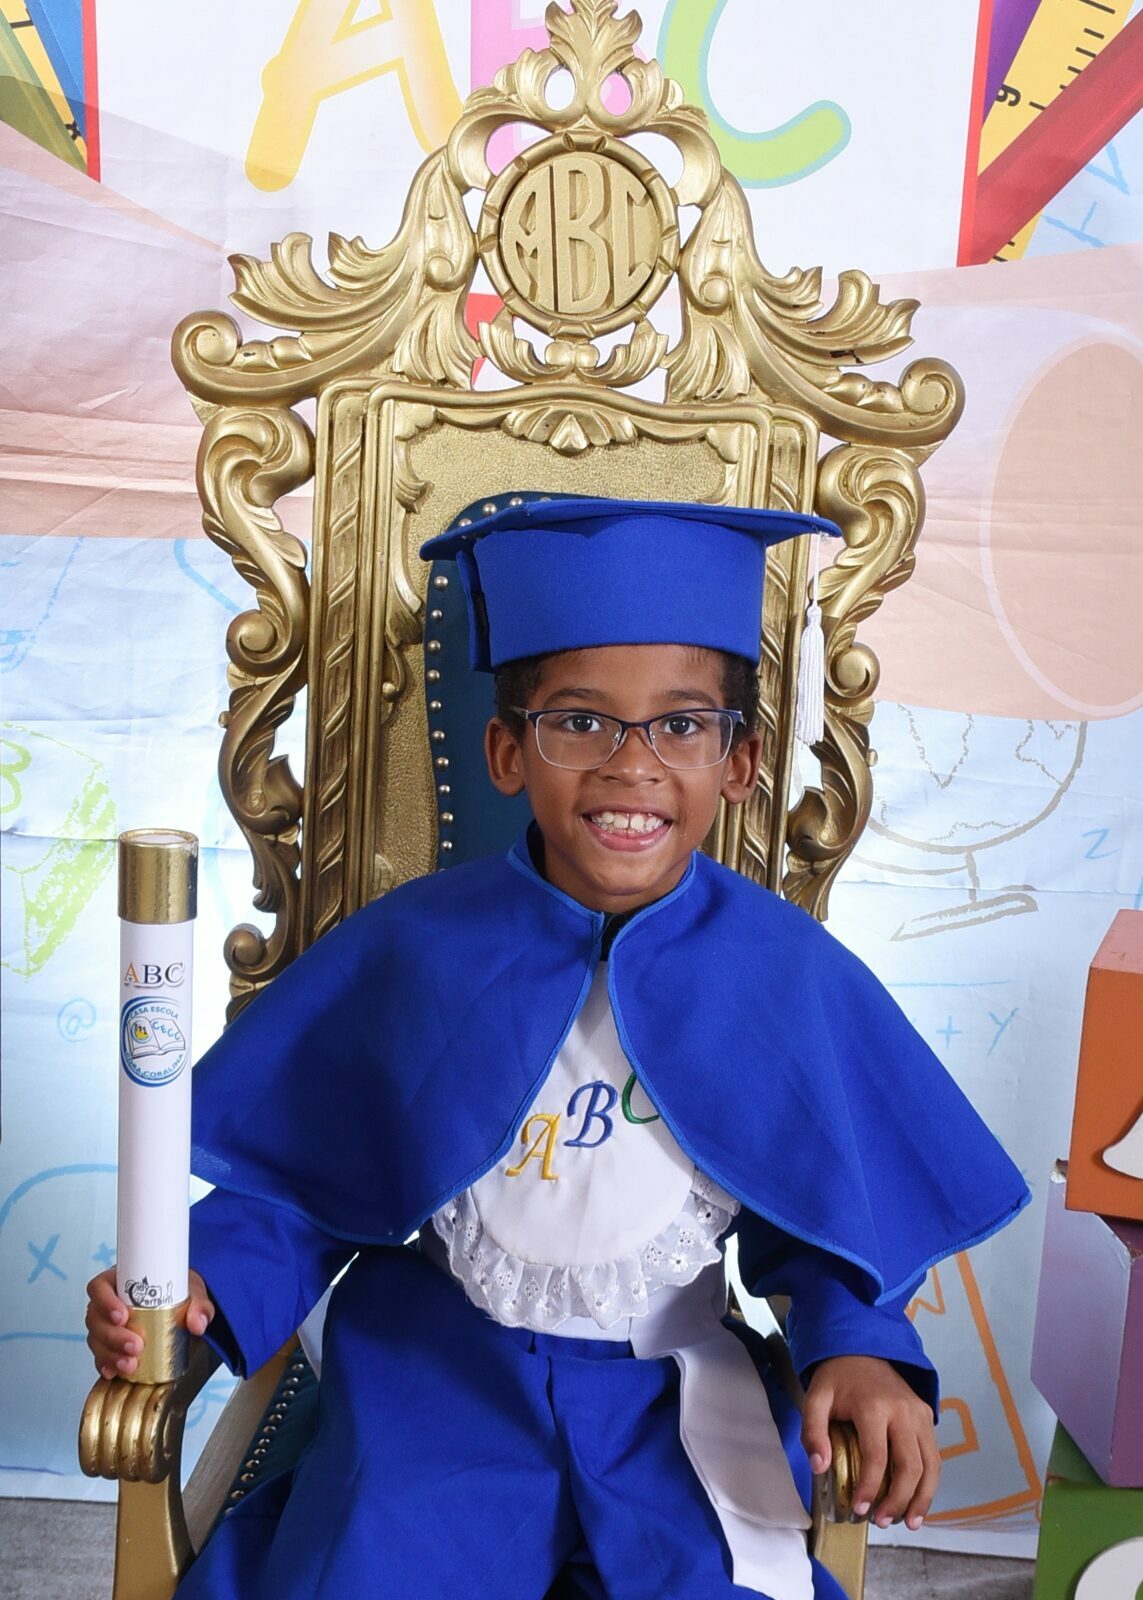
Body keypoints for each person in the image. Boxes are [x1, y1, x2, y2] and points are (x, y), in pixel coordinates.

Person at [87, 495, 1030, 1600]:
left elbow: (820, 1214)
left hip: (668, 1391)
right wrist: (201, 1281)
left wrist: (858, 1343)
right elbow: (306, 1185)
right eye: (579, 722)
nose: (632, 766)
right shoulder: (416, 950)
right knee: (362, 1573)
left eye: (682, 725)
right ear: (506, 750)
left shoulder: (783, 974)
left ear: (739, 760)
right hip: (435, 1377)